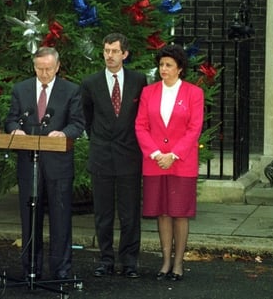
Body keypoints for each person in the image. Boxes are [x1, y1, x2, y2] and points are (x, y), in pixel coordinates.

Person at [4, 46, 85, 280]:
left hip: (58, 163)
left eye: (49, 69)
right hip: (29, 164)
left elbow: (78, 123)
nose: (44, 73)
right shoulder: (21, 89)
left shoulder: (71, 90)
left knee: (60, 220)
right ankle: (31, 268)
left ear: (58, 66)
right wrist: (15, 130)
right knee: (30, 218)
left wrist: (64, 133)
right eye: (40, 69)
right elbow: (11, 119)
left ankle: (60, 271)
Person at [134, 44, 204, 282]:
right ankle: (164, 262)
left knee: (180, 213)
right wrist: (155, 153)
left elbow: (194, 128)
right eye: (161, 64)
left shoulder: (194, 93)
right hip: (155, 162)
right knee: (162, 212)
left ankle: (178, 263)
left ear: (180, 69)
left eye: (168, 65)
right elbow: (140, 125)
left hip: (181, 162)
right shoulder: (149, 92)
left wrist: (173, 154)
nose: (163, 69)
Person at [80, 33, 147, 279]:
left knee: (130, 213)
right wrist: (98, 139)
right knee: (103, 213)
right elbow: (87, 117)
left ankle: (129, 261)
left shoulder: (139, 80)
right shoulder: (91, 82)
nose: (109, 55)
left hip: (129, 155)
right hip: (102, 156)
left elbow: (142, 117)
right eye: (106, 50)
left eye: (114, 51)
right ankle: (105, 259)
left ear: (124, 54)